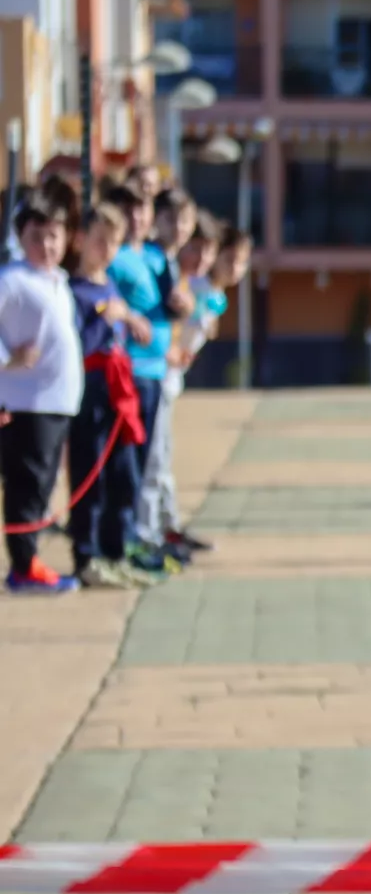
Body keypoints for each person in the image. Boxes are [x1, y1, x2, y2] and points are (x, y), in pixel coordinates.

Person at [0, 192, 85, 593]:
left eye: (55, 235)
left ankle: (30, 557)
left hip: (57, 402)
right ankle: (22, 565)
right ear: (21, 237)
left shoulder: (58, 281)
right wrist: (7, 360)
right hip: (25, 402)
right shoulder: (12, 280)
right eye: (37, 236)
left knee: (45, 484)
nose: (47, 245)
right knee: (27, 484)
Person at [67, 205, 155, 589]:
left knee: (124, 474)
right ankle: (86, 555)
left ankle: (116, 550)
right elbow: (73, 345)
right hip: (89, 390)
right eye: (99, 240)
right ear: (81, 240)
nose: (106, 249)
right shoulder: (73, 290)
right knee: (91, 475)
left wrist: (134, 321)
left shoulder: (110, 286)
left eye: (113, 243)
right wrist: (105, 319)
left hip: (118, 392)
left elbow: (121, 320)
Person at [133, 189, 200, 568]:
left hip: (161, 371)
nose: (178, 228)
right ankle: (145, 535)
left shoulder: (173, 263)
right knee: (149, 460)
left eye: (184, 220)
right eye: (171, 219)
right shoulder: (153, 258)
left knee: (161, 457)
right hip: (144, 369)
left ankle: (156, 530)